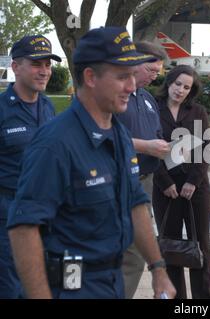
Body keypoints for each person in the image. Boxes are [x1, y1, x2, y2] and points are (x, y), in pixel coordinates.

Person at [7, 27, 176, 299]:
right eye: (122, 77)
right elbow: (24, 229)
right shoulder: (55, 143)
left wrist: (158, 268)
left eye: (133, 76)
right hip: (69, 286)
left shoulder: (118, 134)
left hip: (110, 281)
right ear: (90, 77)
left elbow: (136, 204)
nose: (131, 86)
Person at [0, 35, 61, 298]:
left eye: (47, 65)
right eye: (37, 64)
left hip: (43, 215)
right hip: (7, 216)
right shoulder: (2, 110)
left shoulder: (48, 107)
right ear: (15, 67)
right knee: (10, 288)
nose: (44, 71)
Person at [153, 65, 210, 299]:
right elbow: (151, 149)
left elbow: (207, 147)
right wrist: (164, 182)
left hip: (196, 188)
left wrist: (193, 181)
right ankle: (174, 297)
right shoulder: (153, 109)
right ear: (169, 82)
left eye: (186, 87)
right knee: (169, 245)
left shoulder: (198, 111)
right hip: (165, 188)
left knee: (201, 244)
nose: (180, 90)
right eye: (178, 84)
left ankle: (205, 299)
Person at [117, 41, 171, 299]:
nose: (155, 76)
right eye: (151, 69)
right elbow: (103, 136)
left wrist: (162, 147)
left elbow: (156, 134)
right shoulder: (116, 96)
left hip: (146, 181)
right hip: (122, 180)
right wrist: (145, 146)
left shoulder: (147, 98)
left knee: (135, 251)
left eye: (158, 71)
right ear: (134, 63)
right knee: (133, 253)